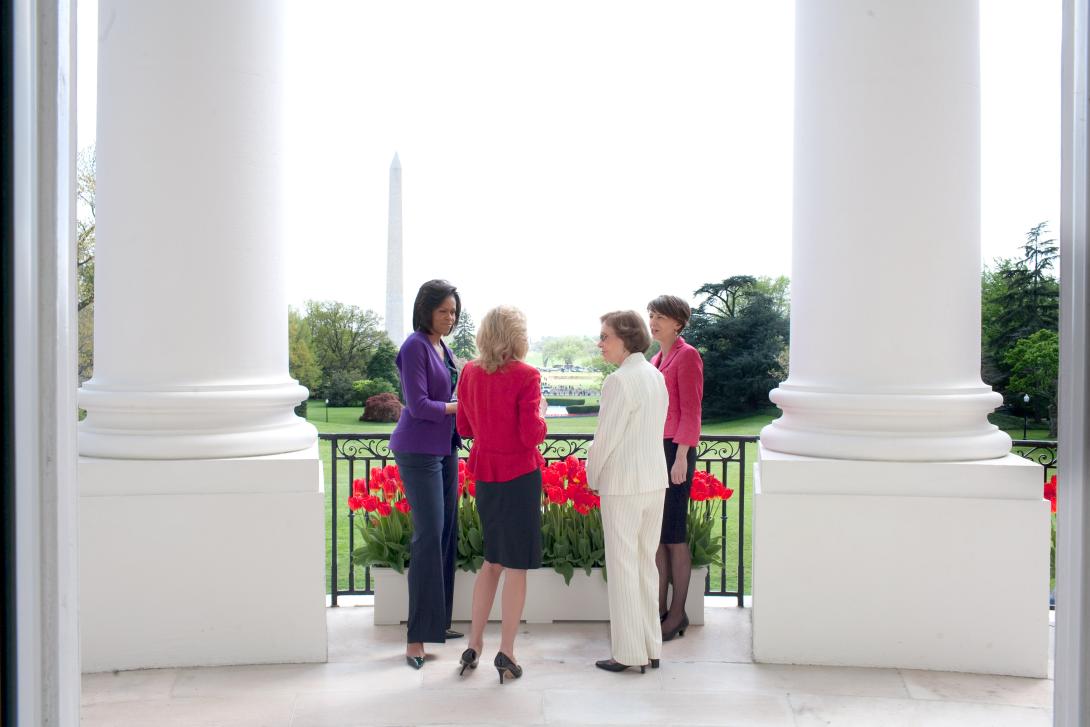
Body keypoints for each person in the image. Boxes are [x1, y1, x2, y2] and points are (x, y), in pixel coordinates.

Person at [454, 305, 548, 684]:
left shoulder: (470, 373)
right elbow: (531, 435)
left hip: (487, 476)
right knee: (516, 567)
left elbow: (463, 425)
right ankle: (506, 652)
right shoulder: (527, 375)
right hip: (520, 475)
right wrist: (540, 412)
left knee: (491, 562)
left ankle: (473, 643)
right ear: (516, 335)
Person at [586, 310, 669, 673]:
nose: (600, 343)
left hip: (623, 484)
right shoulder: (655, 374)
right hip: (654, 481)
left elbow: (605, 439)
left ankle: (628, 653)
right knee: (644, 566)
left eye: (605, 336)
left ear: (626, 338)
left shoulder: (619, 381)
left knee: (623, 567)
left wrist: (591, 475)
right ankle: (651, 648)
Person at [390, 279, 463, 669]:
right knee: (428, 535)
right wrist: (460, 405)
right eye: (442, 311)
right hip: (418, 449)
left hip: (445, 449)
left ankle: (439, 623)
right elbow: (418, 405)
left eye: (453, 312)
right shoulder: (415, 346)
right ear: (426, 310)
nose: (450, 318)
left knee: (447, 533)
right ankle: (416, 638)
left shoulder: (442, 345)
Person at [648, 295, 704, 641]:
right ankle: (658, 609)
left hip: (676, 452)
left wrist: (682, 456)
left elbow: (691, 410)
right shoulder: (656, 359)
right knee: (657, 536)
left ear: (677, 323)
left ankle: (678, 612)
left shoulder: (688, 356)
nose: (653, 321)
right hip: (656, 451)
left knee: (674, 534)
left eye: (660, 316)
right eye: (651, 315)